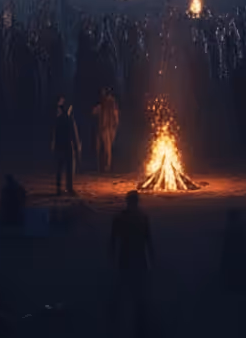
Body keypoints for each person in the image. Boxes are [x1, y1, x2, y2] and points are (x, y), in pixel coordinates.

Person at [108, 191, 155, 336]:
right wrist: (152, 259)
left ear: (127, 201)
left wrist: (111, 256)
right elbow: (149, 240)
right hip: (139, 258)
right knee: (139, 291)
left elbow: (113, 239)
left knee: (123, 286)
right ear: (137, 201)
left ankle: (116, 319)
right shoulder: (143, 217)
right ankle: (140, 323)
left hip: (125, 256)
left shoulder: (120, 218)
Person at [52, 96, 81, 196]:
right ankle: (69, 188)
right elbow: (74, 134)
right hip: (68, 147)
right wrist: (77, 147)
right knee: (69, 168)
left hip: (60, 147)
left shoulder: (58, 119)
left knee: (59, 168)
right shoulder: (69, 119)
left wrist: (54, 146)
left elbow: (54, 134)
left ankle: (58, 188)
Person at [93, 87, 121, 172]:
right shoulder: (104, 104)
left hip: (107, 128)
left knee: (107, 149)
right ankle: (103, 166)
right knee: (105, 148)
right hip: (105, 128)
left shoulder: (110, 103)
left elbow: (115, 115)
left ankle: (106, 167)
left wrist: (114, 125)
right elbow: (95, 112)